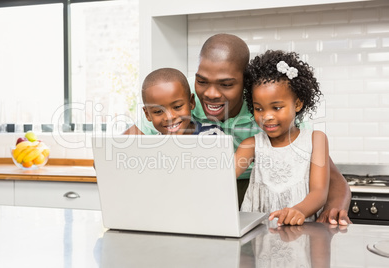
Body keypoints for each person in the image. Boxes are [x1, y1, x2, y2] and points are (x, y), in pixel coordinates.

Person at [124, 33, 351, 225]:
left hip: (254, 192)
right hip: (206, 188)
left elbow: (331, 176)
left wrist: (334, 204)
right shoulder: (179, 106)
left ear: (246, 83)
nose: (211, 93)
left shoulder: (271, 116)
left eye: (226, 84)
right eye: (202, 81)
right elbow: (124, 150)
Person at [235, 50, 329, 226]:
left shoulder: (316, 140)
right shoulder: (251, 145)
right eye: (259, 108)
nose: (267, 116)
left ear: (298, 104)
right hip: (258, 236)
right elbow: (224, 175)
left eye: (276, 108)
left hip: (299, 232)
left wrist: (299, 210)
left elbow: (319, 192)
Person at [141, 67, 223, 135]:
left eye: (177, 107)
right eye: (158, 111)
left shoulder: (213, 134)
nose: (169, 117)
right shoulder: (153, 144)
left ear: (191, 102)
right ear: (147, 114)